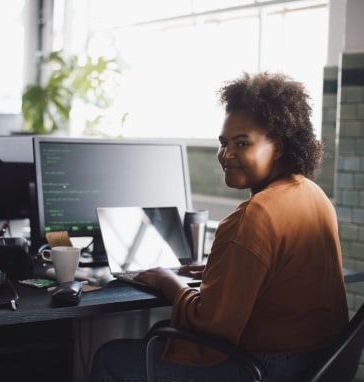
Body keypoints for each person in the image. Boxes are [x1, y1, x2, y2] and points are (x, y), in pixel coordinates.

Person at [89, 72, 349, 382]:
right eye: (223, 143)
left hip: (265, 369)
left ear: (278, 147)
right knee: (155, 336)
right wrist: (221, 271)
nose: (227, 155)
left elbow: (211, 325)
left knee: (111, 357)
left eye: (242, 143)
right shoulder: (312, 194)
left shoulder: (255, 215)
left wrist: (166, 280)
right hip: (320, 366)